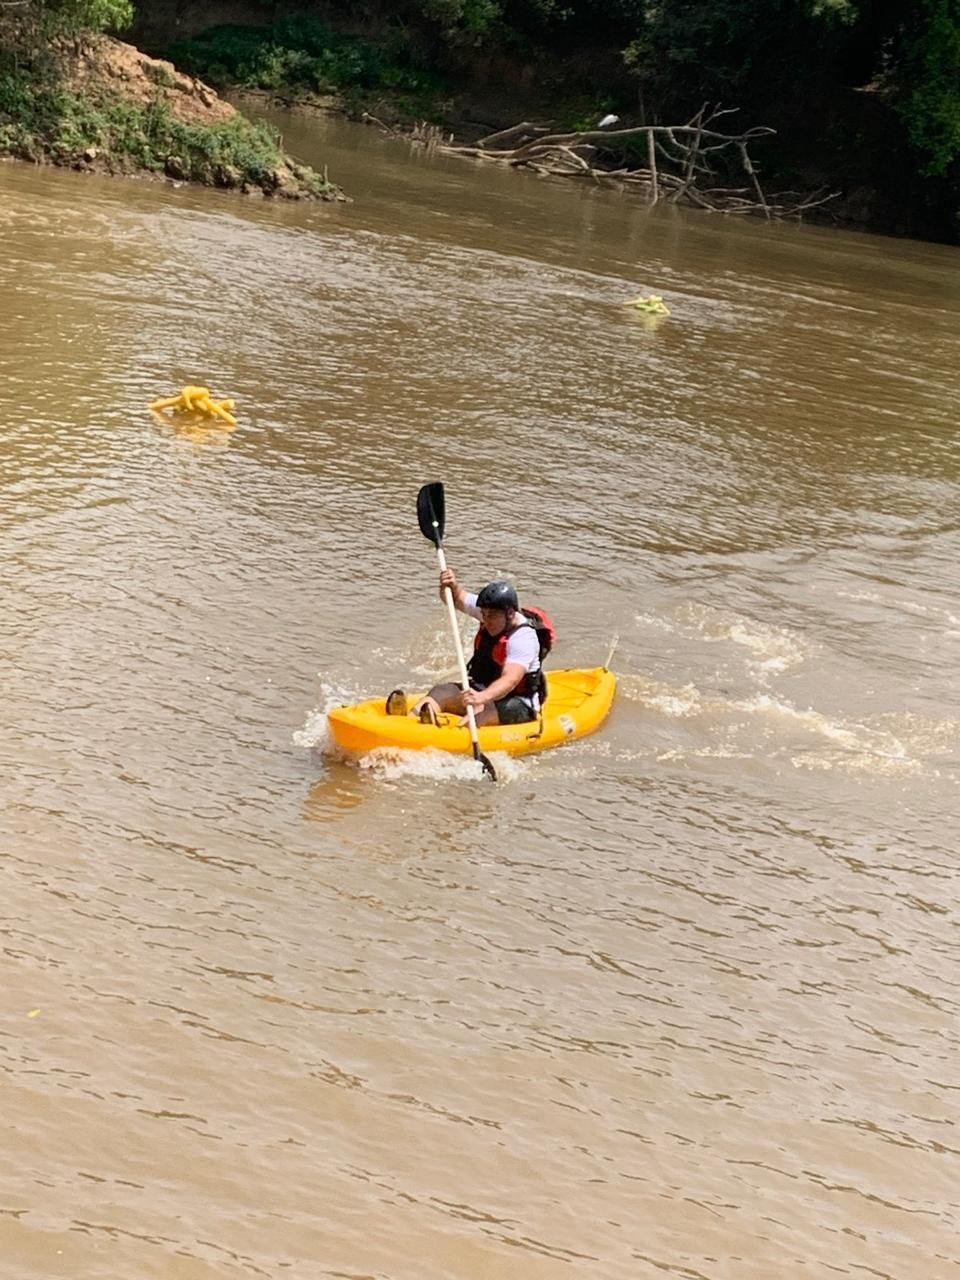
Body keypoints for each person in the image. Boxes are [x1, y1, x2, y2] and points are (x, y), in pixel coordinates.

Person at [409, 569, 543, 727]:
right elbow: (455, 598)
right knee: (441, 692)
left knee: (480, 714)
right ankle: (410, 723)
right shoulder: (490, 613)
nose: (486, 620)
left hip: (518, 702)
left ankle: (454, 733)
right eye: (484, 614)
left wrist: (482, 697)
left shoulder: (523, 638)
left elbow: (510, 680)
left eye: (491, 615)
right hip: (484, 691)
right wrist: (451, 585)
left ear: (510, 614)